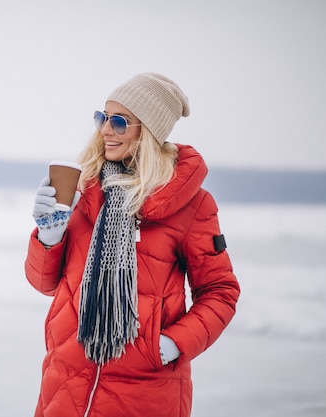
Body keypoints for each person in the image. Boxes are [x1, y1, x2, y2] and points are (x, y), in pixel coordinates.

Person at [24, 73, 240, 417]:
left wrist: (169, 345)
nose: (106, 130)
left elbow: (220, 291)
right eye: (102, 118)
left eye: (120, 122)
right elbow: (44, 284)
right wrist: (49, 236)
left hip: (144, 394)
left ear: (149, 132)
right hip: (65, 386)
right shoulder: (87, 190)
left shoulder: (193, 205)